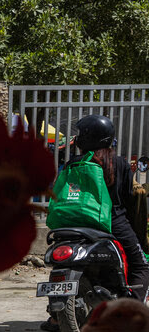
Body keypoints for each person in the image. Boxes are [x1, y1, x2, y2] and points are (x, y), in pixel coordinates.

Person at [59, 115, 149, 301]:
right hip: (112, 222)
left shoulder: (73, 164)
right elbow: (129, 199)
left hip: (75, 222)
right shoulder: (119, 163)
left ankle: (55, 318)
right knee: (141, 265)